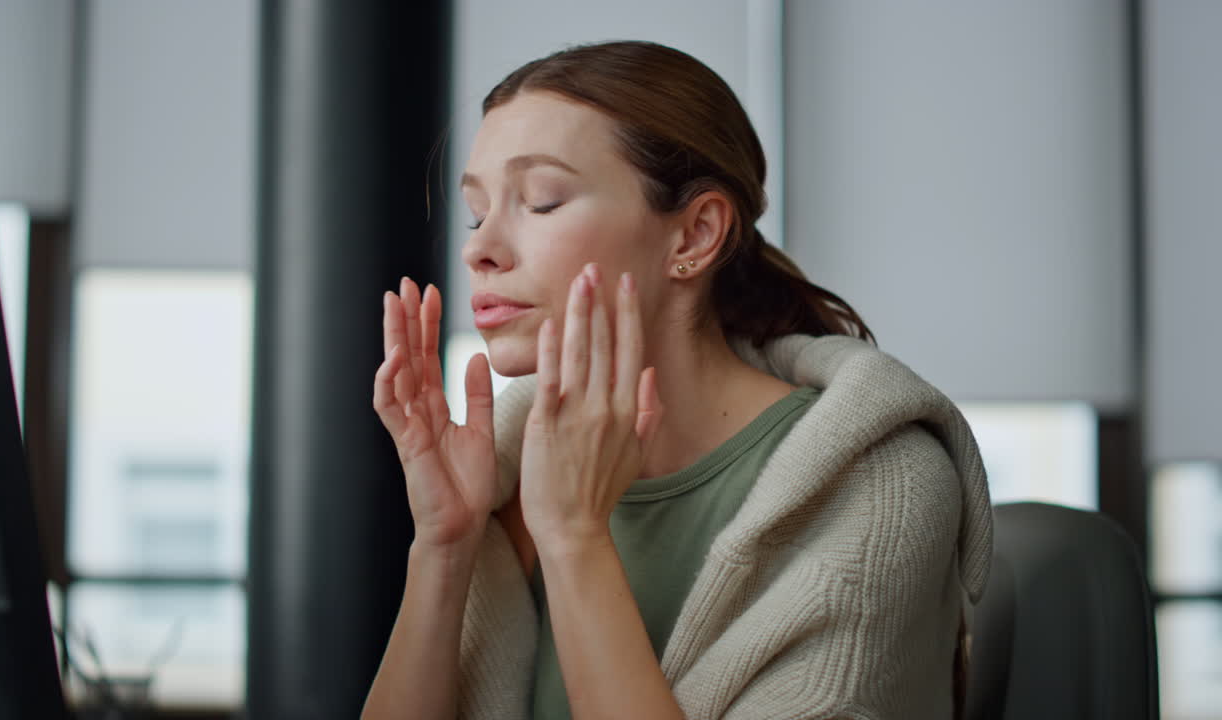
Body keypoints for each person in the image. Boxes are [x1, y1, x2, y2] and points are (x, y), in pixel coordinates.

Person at [362, 40, 991, 720]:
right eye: (477, 212)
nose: (476, 248)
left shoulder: (882, 489)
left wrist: (575, 539)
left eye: (541, 201)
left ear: (694, 236)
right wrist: (444, 547)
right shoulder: (508, 476)